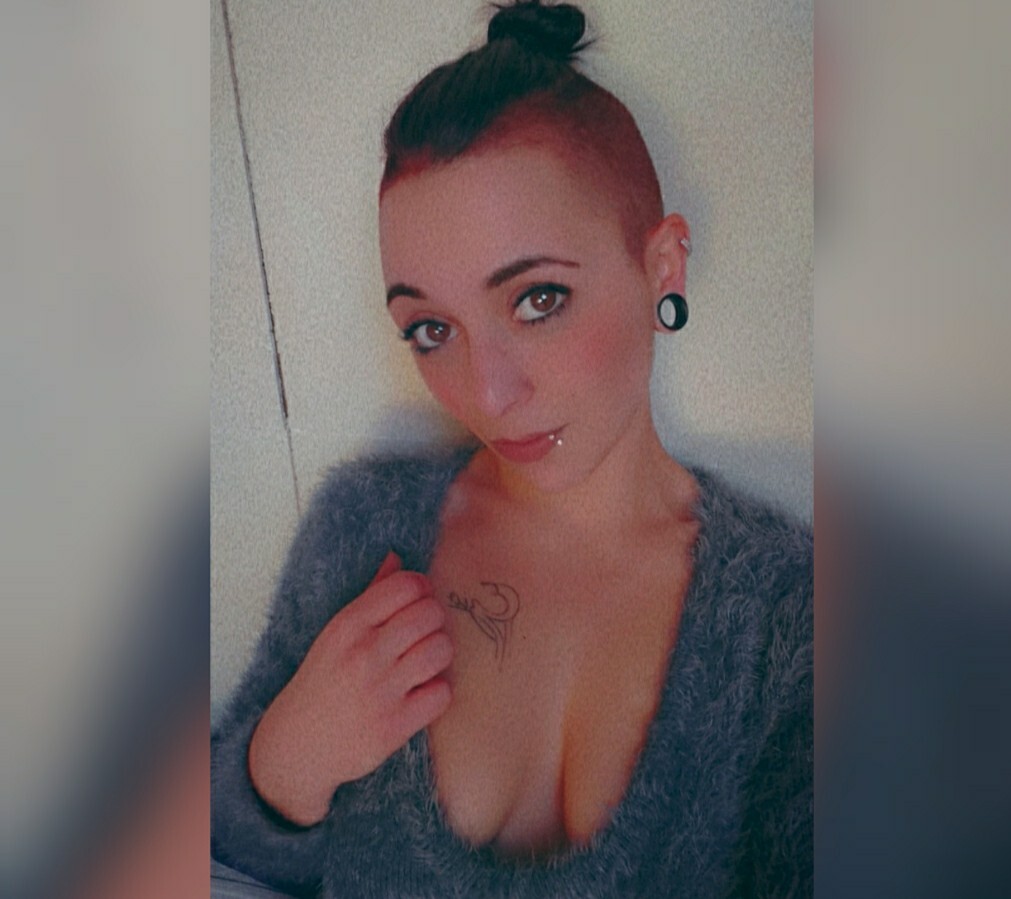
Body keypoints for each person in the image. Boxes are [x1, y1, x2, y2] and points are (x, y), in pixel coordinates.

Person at [211, 2, 812, 896]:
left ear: (663, 266)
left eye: (537, 300)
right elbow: (214, 851)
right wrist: (283, 767)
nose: (486, 395)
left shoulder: (790, 622)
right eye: (430, 329)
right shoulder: (362, 529)